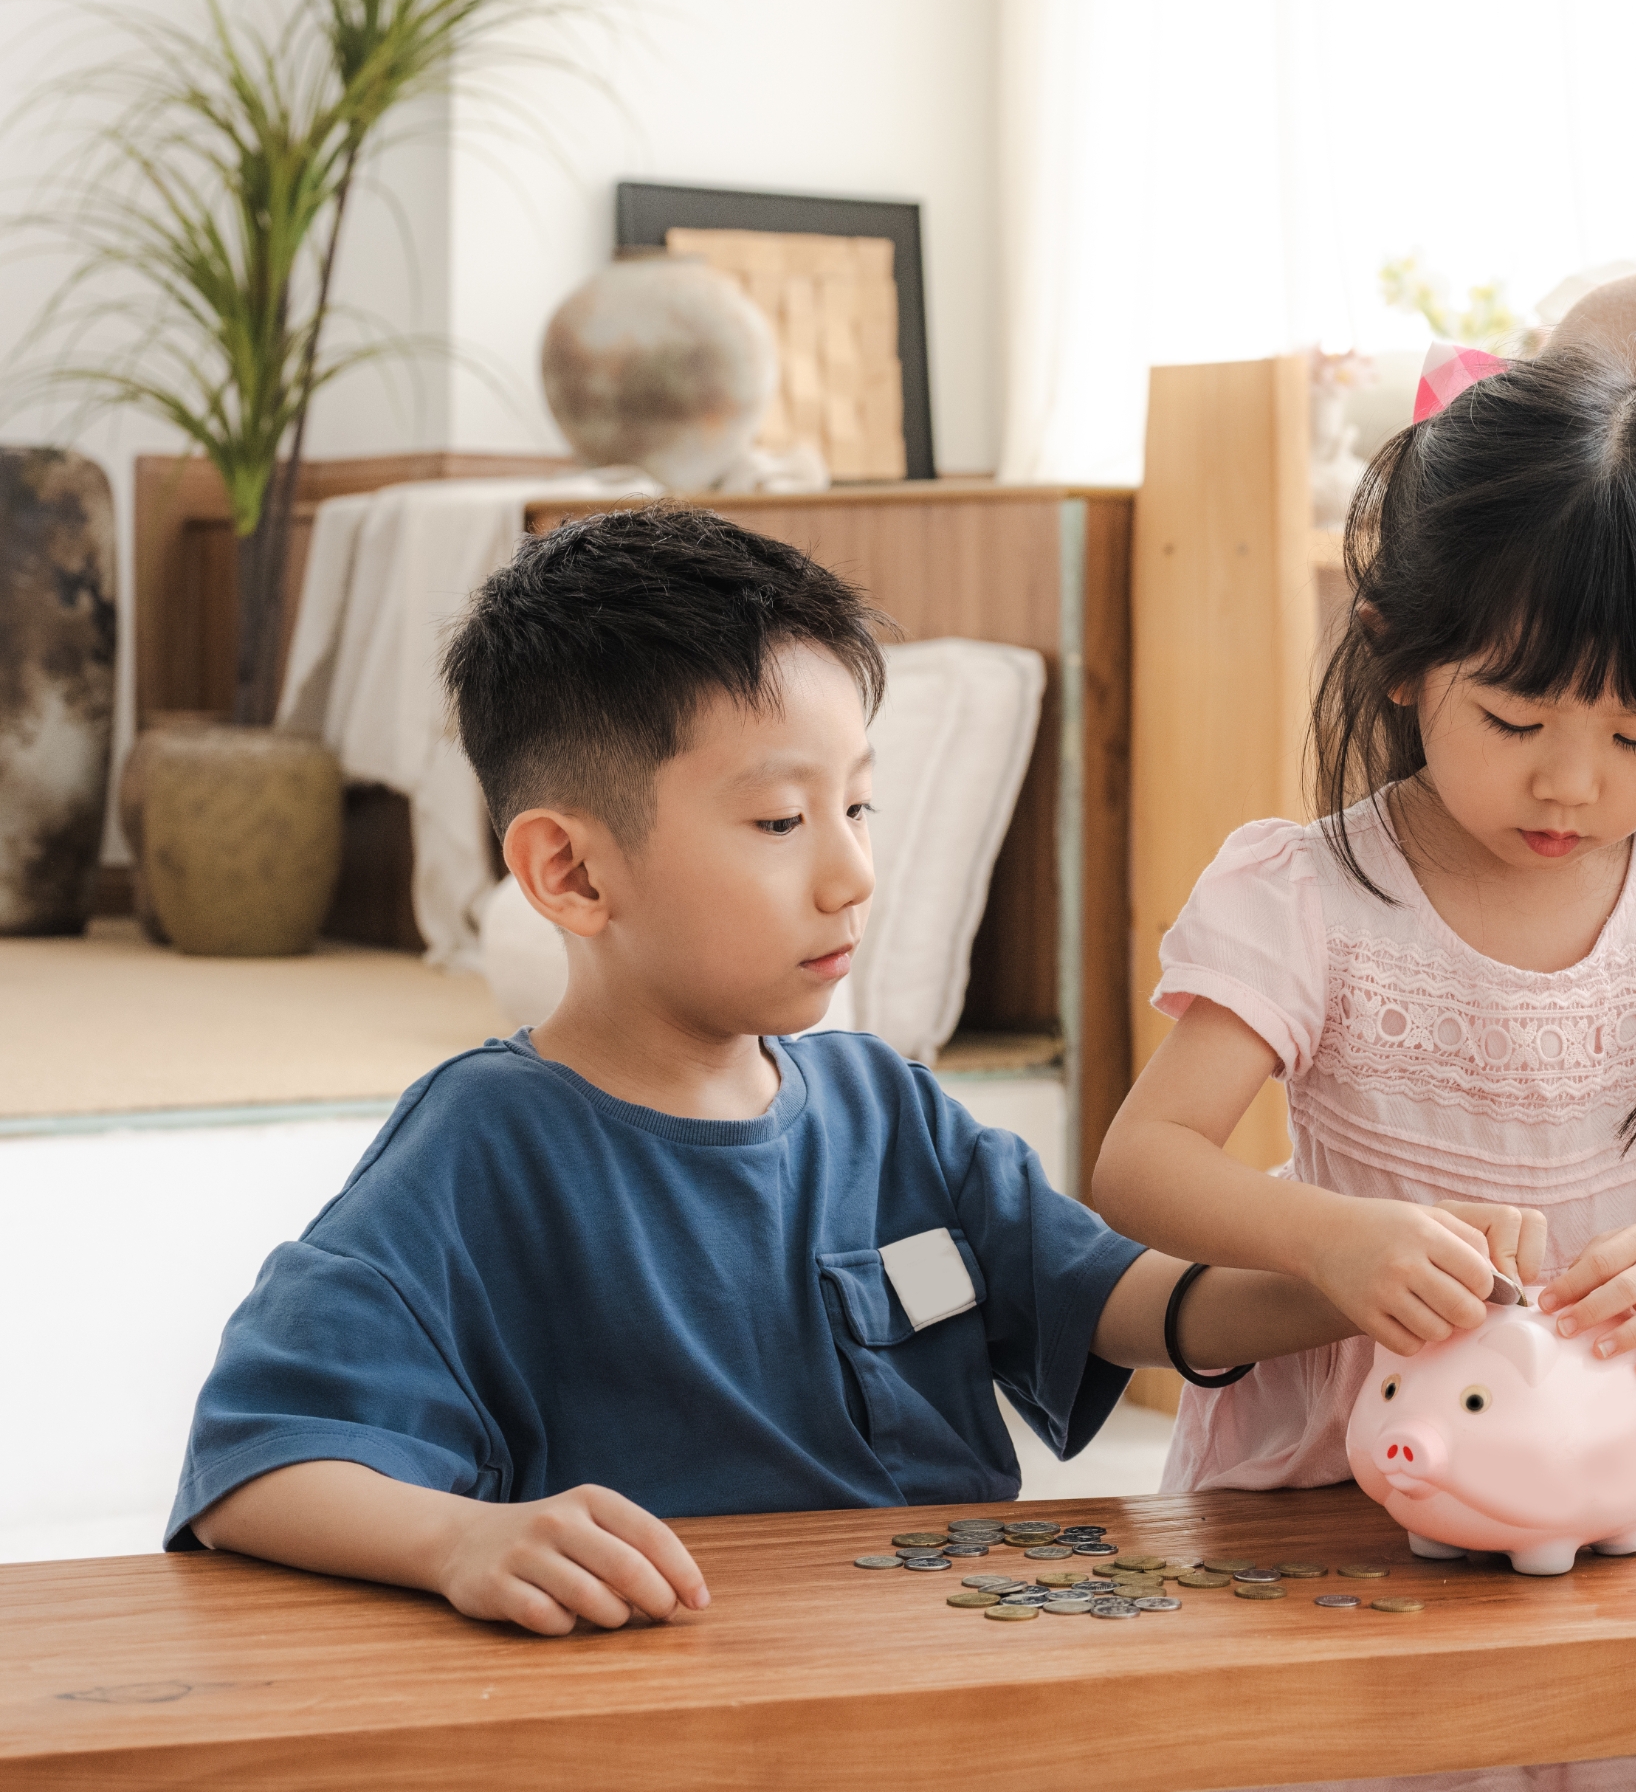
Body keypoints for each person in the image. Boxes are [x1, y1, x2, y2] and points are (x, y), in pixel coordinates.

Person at [170, 505, 1350, 1635]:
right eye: (783, 823)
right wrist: (462, 1542)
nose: (851, 874)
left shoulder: (888, 1107)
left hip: (950, 1681)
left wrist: (1345, 1281)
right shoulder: (485, 1146)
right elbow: (259, 1462)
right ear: (570, 874)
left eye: (860, 804)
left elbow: (1120, 1304)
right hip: (684, 1712)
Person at [1090, 344, 1636, 1790]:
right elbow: (1141, 1159)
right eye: (1513, 720)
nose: (1573, 783)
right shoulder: (1306, 894)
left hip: (1632, 1448)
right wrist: (1331, 1236)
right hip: (1352, 1457)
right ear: (1394, 653)